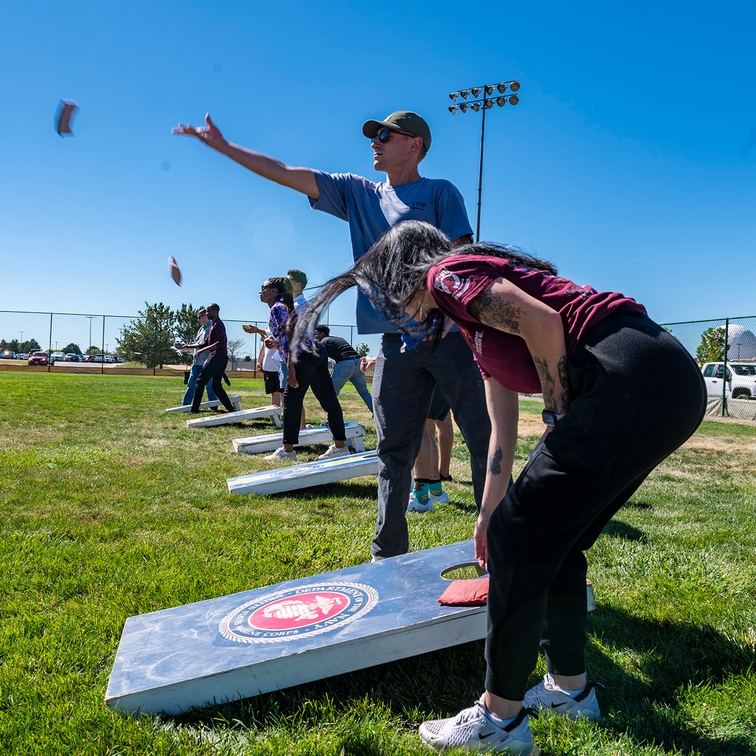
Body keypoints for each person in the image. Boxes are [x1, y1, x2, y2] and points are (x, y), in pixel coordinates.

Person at [291, 220, 706, 754]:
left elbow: (543, 321)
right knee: (555, 536)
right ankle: (570, 690)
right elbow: (499, 435)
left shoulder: (447, 275)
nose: (391, 309)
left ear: (402, 274)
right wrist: (489, 513)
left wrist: (556, 414)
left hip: (629, 374)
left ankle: (499, 720)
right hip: (664, 382)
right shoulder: (474, 325)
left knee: (524, 538)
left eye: (387, 294)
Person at [174, 110, 493, 560]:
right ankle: (387, 559)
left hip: (448, 338)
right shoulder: (358, 192)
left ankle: (501, 551)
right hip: (394, 345)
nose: (374, 142)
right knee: (392, 453)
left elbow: (463, 262)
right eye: (373, 135)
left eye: (385, 135)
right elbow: (286, 173)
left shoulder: (440, 192)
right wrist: (226, 149)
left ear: (415, 144)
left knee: (483, 440)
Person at [259, 278, 347, 462]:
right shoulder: (283, 308)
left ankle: (288, 450)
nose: (260, 291)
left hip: (303, 355)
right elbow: (286, 338)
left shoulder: (277, 308)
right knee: (328, 400)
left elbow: (293, 336)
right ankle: (341, 446)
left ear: (274, 291)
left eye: (264, 288)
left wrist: (291, 367)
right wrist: (274, 344)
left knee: (291, 401)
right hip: (316, 351)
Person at [182, 303, 237, 414]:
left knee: (199, 382)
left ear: (215, 312)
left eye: (208, 311)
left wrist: (202, 351)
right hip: (220, 358)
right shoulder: (214, 325)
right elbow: (205, 343)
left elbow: (220, 343)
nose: (206, 313)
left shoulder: (218, 325)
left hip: (217, 357)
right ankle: (231, 409)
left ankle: (194, 409)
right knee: (216, 385)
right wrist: (188, 346)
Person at [313, 325, 372, 413]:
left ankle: (330, 422)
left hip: (345, 364)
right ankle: (379, 416)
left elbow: (318, 358)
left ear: (322, 333)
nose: (314, 336)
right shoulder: (336, 339)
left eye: (315, 334)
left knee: (331, 394)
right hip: (358, 363)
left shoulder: (323, 341)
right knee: (365, 393)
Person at [180, 308, 216, 407]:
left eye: (199, 317)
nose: (198, 320)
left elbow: (210, 345)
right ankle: (185, 404)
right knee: (191, 384)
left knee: (210, 386)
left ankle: (213, 406)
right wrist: (185, 347)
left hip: (207, 363)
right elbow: (197, 345)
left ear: (205, 316)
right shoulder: (201, 329)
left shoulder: (212, 328)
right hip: (196, 363)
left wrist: (208, 358)